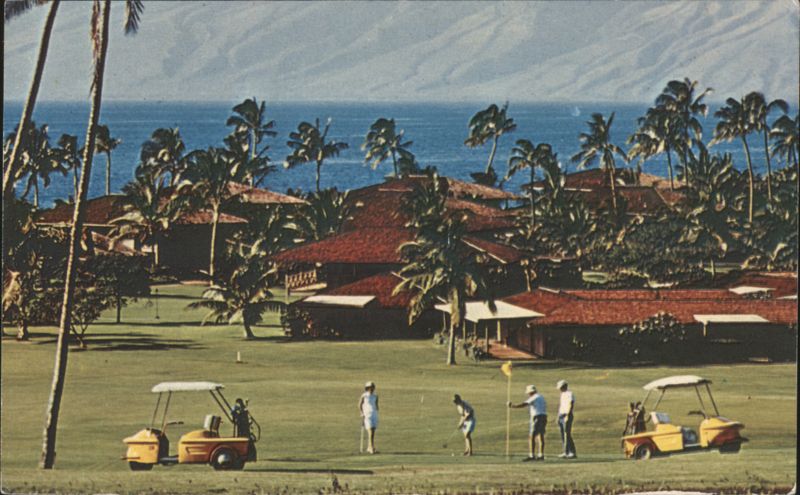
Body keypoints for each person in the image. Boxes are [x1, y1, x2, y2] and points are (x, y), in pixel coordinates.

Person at [508, 384, 547, 461]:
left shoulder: (534, 397)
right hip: (543, 416)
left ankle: (531, 455)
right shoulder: (541, 397)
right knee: (540, 435)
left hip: (536, 417)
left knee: (532, 436)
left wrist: (512, 406)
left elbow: (524, 404)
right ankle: (541, 454)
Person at [556, 379, 576, 459]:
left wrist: (567, 415)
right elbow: (562, 406)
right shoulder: (562, 394)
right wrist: (558, 416)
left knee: (567, 433)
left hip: (567, 415)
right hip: (561, 415)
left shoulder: (569, 394)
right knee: (563, 434)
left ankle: (571, 452)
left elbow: (570, 404)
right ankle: (566, 451)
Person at [358, 381, 379, 454]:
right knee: (370, 431)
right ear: (367, 388)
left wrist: (376, 412)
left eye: (373, 387)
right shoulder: (364, 395)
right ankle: (371, 447)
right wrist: (361, 413)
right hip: (367, 415)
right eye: (370, 387)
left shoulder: (375, 396)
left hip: (374, 414)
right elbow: (360, 404)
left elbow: (376, 405)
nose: (372, 388)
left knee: (373, 431)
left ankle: (369, 447)